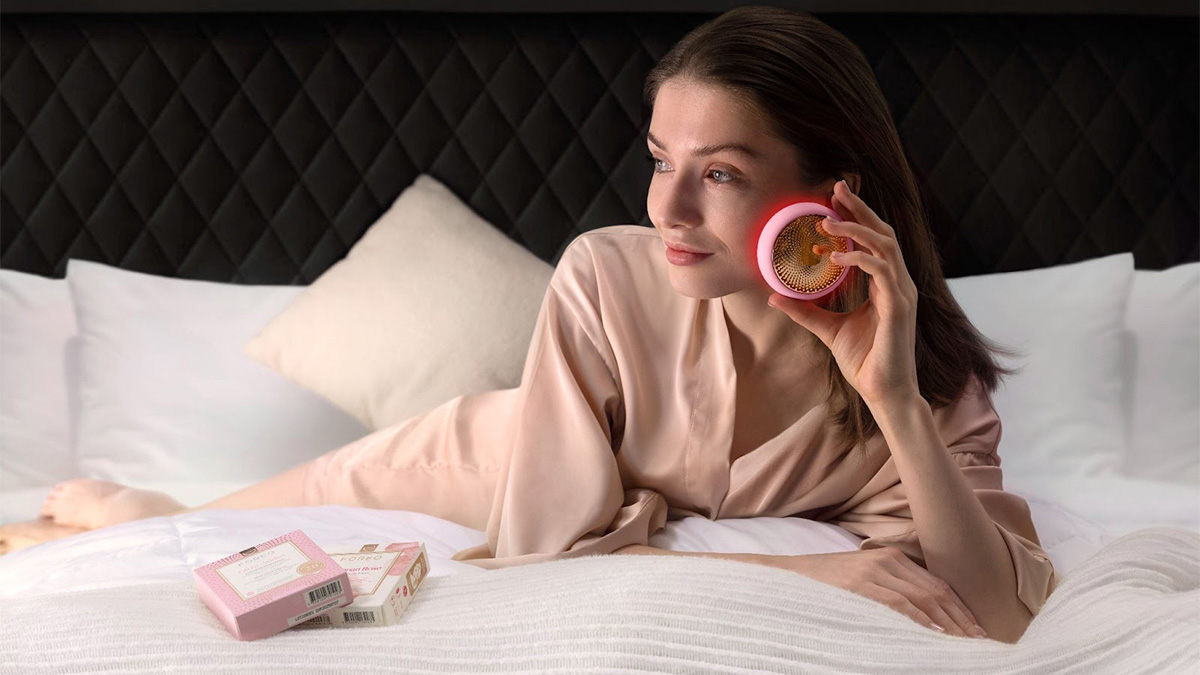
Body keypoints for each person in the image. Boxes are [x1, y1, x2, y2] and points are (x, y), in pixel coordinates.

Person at [3, 5, 1056, 644]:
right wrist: (806, 569)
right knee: (221, 520)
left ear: (832, 195)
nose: (667, 209)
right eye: (661, 160)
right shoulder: (608, 272)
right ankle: (144, 505)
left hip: (844, 374)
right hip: (484, 456)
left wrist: (892, 404)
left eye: (721, 174)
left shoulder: (918, 371)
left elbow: (1002, 610)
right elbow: (549, 549)